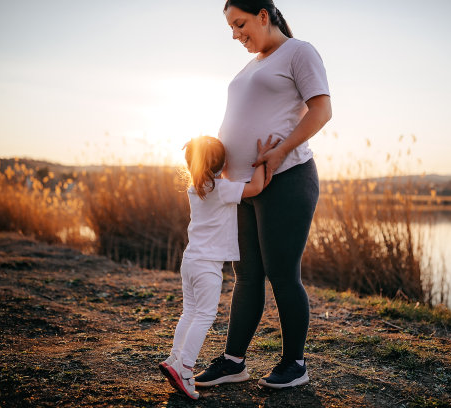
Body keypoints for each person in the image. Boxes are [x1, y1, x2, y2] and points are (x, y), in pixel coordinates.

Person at [194, 0, 332, 390]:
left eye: (240, 24)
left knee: (283, 274)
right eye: (231, 29)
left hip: (285, 178)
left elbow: (321, 110)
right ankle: (234, 361)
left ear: (263, 15)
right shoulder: (252, 64)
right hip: (243, 186)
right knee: (247, 274)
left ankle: (295, 364)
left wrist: (283, 148)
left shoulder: (298, 51)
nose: (236, 35)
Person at [158, 135, 272, 399]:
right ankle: (185, 369)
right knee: (205, 316)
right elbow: (256, 188)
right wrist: (262, 160)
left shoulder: (195, 189)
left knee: (190, 311)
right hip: (207, 267)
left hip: (190, 261)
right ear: (223, 163)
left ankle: (174, 358)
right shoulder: (222, 188)